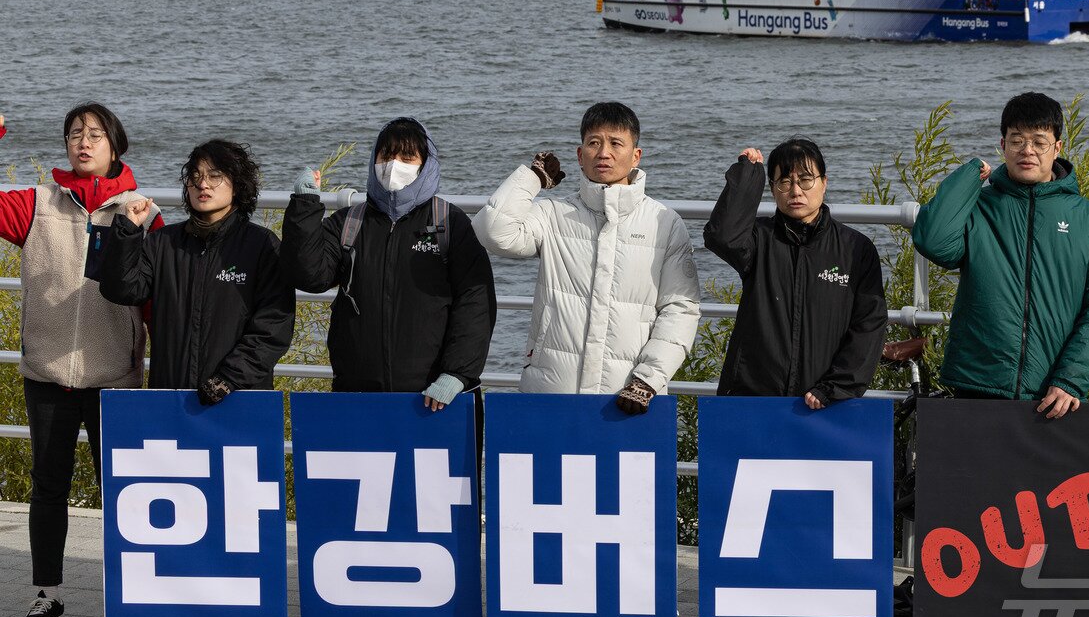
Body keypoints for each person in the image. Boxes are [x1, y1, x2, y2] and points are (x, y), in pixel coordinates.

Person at [0, 105, 162, 617]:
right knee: (48, 487)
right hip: (47, 371)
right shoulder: (37, 204)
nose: (83, 144)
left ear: (116, 145)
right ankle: (48, 594)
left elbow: (157, 300)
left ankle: (128, 593)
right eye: (75, 135)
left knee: (121, 488)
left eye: (95, 135)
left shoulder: (141, 212)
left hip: (115, 375)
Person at [474, 102, 700, 411]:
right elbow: (493, 231)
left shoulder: (664, 222)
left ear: (636, 155)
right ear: (580, 156)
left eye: (616, 143)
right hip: (551, 391)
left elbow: (681, 310)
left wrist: (648, 379)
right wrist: (533, 180)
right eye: (594, 143)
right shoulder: (553, 213)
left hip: (628, 398)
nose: (604, 153)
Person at [911, 92, 1089, 417]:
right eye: (1017, 141)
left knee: (1044, 471)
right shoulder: (980, 207)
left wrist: (1071, 378)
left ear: (1058, 148)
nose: (1027, 151)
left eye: (1039, 142)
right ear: (1002, 145)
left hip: (1052, 389)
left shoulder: (1088, 219)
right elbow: (933, 241)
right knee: (974, 470)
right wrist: (969, 175)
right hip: (977, 381)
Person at [281, 118, 496, 410]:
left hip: (435, 397)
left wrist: (457, 373)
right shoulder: (350, 223)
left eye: (407, 157)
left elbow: (476, 303)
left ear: (425, 164)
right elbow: (309, 276)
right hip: (357, 395)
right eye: (386, 157)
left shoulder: (449, 222)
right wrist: (304, 207)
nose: (394, 165)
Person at [99, 140, 294, 399]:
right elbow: (121, 289)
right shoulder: (162, 242)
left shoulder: (262, 245)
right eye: (195, 176)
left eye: (215, 176)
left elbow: (274, 326)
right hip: (171, 394)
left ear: (237, 184)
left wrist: (228, 378)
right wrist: (128, 232)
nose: (203, 184)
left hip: (240, 397)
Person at [704, 138, 886, 407]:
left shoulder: (855, 248)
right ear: (773, 188)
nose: (796, 191)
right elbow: (722, 236)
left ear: (824, 183)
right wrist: (748, 174)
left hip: (822, 401)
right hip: (753, 394)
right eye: (785, 182)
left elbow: (869, 324)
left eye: (806, 179)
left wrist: (836, 386)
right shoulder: (758, 239)